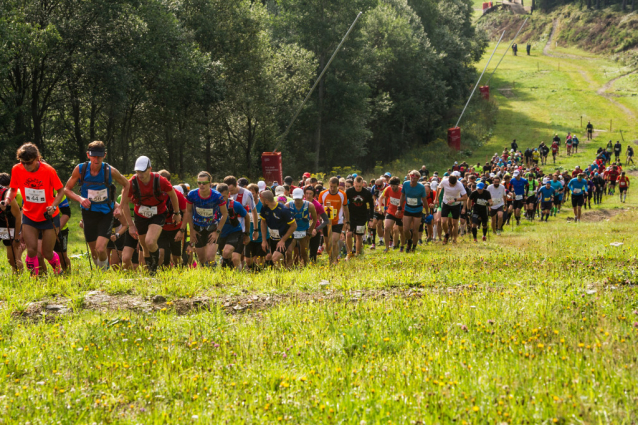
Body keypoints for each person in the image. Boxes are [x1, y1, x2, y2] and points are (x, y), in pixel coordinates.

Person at [64, 141, 130, 270]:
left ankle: (104, 273)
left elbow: (126, 184)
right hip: (88, 213)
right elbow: (67, 189)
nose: (96, 159)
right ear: (88, 155)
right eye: (93, 156)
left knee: (101, 248)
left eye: (99, 156)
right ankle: (101, 271)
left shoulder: (109, 170)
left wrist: (120, 207)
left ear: (104, 155)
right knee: (94, 251)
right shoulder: (81, 169)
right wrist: (80, 198)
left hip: (106, 213)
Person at [5, 143, 65, 275]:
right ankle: (34, 278)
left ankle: (58, 271)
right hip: (29, 215)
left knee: (46, 253)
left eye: (29, 162)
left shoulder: (48, 170)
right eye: (23, 162)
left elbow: (61, 190)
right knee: (31, 250)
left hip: (48, 215)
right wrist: (8, 200)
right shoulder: (17, 169)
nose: (25, 166)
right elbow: (13, 189)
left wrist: (54, 205)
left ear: (37, 158)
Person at [121, 156, 182, 275]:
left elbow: (173, 195)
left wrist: (177, 213)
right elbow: (124, 203)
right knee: (144, 246)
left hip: (158, 213)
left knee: (150, 242)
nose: (140, 174)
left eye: (143, 171)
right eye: (138, 171)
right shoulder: (132, 183)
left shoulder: (160, 180)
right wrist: (131, 224)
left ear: (150, 169)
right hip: (140, 215)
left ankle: (155, 264)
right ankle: (151, 270)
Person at [183, 171, 228, 268]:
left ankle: (213, 277)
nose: (201, 185)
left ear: (210, 183)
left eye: (204, 183)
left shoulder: (217, 196)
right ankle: (206, 278)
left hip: (212, 229)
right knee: (202, 259)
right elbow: (189, 212)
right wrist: (191, 230)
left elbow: (225, 214)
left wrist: (218, 231)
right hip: (198, 229)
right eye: (199, 183)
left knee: (210, 258)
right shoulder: (192, 194)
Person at [259, 189, 296, 268]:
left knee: (275, 258)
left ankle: (283, 275)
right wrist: (264, 240)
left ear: (266, 201)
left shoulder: (283, 210)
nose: (260, 201)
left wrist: (283, 240)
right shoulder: (264, 208)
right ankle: (282, 275)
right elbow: (263, 222)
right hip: (273, 238)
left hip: (285, 237)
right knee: (274, 259)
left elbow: (294, 226)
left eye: (261, 200)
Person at [217, 183, 249, 269]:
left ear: (228, 194)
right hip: (221, 233)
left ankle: (238, 275)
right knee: (225, 256)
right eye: (219, 197)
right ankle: (227, 274)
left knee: (229, 254)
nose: (221, 199)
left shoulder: (235, 205)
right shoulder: (213, 205)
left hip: (235, 232)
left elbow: (247, 217)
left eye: (223, 196)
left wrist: (247, 233)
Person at [318, 177, 349, 264]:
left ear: (338, 186)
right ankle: (331, 257)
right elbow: (319, 208)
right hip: (326, 222)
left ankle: (335, 260)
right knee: (327, 244)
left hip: (337, 222)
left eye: (334, 187)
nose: (332, 188)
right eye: (330, 186)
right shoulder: (322, 194)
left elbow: (346, 209)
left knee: (334, 241)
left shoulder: (342, 194)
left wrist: (347, 221)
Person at [398, 170, 429, 251]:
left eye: (415, 178)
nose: (413, 179)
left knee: (415, 231)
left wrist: (427, 212)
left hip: (418, 209)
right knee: (405, 229)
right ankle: (409, 241)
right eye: (412, 177)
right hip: (408, 208)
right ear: (410, 176)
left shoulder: (421, 187)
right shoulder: (405, 184)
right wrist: (399, 207)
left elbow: (424, 200)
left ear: (418, 179)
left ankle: (414, 247)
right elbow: (402, 195)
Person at [286, 188, 317, 267]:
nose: (297, 201)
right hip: (292, 231)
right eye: (296, 199)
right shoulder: (288, 205)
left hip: (304, 231)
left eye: (299, 199)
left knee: (304, 253)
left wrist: (309, 231)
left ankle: (305, 268)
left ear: (303, 196)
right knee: (289, 252)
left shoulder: (310, 205)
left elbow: (315, 219)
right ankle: (289, 267)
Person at [345, 176, 374, 258]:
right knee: (349, 234)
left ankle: (357, 253)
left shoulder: (367, 193)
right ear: (353, 184)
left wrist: (370, 219)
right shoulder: (349, 192)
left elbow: (370, 207)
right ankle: (349, 253)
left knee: (359, 236)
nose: (358, 188)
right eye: (356, 186)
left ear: (362, 184)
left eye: (360, 186)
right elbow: (345, 205)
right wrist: (345, 218)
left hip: (362, 216)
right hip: (351, 216)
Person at [436, 175, 465, 244]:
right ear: (448, 181)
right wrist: (436, 198)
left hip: (456, 205)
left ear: (456, 182)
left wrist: (455, 200)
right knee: (443, 221)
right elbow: (438, 187)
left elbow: (465, 197)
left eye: (453, 185)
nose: (451, 186)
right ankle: (446, 234)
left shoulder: (460, 185)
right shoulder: (444, 181)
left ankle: (454, 239)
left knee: (454, 223)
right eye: (450, 184)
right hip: (446, 203)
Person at [0, 181, 22, 272]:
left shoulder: (5, 193)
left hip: (7, 224)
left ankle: (19, 278)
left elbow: (18, 216)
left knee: (12, 260)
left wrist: (17, 237)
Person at [378, 177, 404, 252]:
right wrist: (380, 208)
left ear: (398, 185)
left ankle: (402, 246)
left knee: (401, 230)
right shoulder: (388, 189)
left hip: (401, 212)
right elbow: (381, 198)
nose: (392, 187)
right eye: (391, 185)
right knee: (386, 228)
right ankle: (387, 247)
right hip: (391, 211)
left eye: (394, 186)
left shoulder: (402, 190)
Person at [304, 186, 329, 262]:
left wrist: (316, 229)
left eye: (310, 194)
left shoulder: (317, 205)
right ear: (304, 194)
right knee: (302, 252)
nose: (308, 196)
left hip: (315, 230)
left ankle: (312, 268)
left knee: (313, 254)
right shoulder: (300, 203)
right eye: (307, 193)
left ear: (314, 195)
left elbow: (326, 220)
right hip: (303, 230)